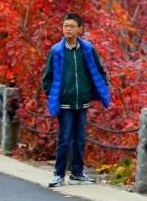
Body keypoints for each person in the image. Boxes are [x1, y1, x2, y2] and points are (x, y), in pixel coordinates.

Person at [41, 13, 110, 187]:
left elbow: (98, 71)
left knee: (80, 138)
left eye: (72, 26)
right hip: (65, 102)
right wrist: (55, 94)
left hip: (82, 101)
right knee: (64, 139)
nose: (68, 29)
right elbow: (47, 78)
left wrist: (92, 92)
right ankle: (58, 174)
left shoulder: (87, 49)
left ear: (79, 29)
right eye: (65, 26)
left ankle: (77, 173)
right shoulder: (56, 51)